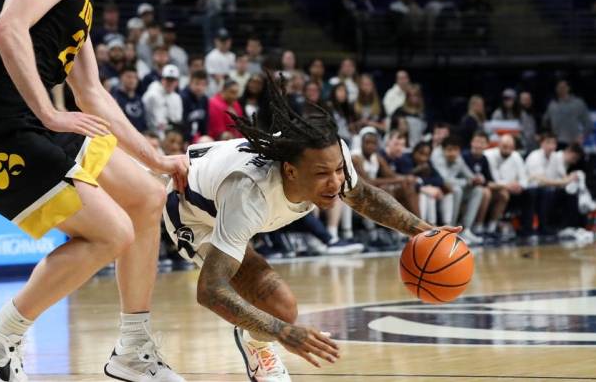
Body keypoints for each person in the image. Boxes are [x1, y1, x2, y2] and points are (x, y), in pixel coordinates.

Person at [0, 0, 188, 381]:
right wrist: (50, 112)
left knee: (148, 197)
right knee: (113, 233)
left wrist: (157, 158)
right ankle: (0, 332)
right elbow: (7, 28)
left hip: (29, 121)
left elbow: (91, 92)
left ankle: (133, 349)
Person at [163, 77, 456, 381]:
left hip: (224, 190)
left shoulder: (327, 152)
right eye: (322, 174)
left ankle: (254, 337)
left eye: (339, 170)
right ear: (290, 170)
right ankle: (258, 346)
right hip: (194, 216)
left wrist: (423, 230)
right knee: (282, 311)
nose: (335, 182)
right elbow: (211, 290)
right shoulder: (249, 192)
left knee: (278, 308)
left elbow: (362, 195)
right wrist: (281, 332)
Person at [431, 135, 485, 245]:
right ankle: (452, 229)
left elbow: (469, 175)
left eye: (456, 150)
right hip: (437, 191)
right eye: (450, 150)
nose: (453, 153)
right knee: (457, 190)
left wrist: (476, 179)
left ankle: (466, 229)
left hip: (452, 190)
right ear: (443, 149)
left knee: (478, 190)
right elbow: (445, 180)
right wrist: (467, 182)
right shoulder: (436, 157)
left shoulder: (458, 157)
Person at [463, 131, 510, 237]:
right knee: (485, 192)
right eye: (476, 142)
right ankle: (478, 227)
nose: (478, 145)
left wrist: (504, 186)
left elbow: (489, 180)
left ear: (486, 145)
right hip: (467, 189)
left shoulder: (484, 159)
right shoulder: (465, 156)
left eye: (481, 142)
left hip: (480, 189)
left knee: (503, 194)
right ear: (471, 143)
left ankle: (491, 227)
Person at [543, 80, 593, 147]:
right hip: (555, 143)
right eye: (559, 87)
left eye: (563, 87)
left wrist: (582, 137)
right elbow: (545, 121)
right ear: (556, 89)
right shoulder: (552, 104)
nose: (561, 89)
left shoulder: (578, 103)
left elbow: (588, 123)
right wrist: (548, 135)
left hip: (573, 142)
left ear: (568, 88)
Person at [142, 64, 182, 137]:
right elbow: (155, 122)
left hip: (169, 134)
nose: (169, 83)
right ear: (162, 79)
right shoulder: (152, 95)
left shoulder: (177, 97)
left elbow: (177, 120)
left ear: (176, 82)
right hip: (152, 134)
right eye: (167, 79)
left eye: (172, 80)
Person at [181, 69, 209, 143]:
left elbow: (204, 124)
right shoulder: (183, 98)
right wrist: (186, 140)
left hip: (196, 138)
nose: (199, 88)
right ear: (190, 83)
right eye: (197, 84)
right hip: (183, 138)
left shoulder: (204, 99)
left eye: (203, 84)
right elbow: (182, 123)